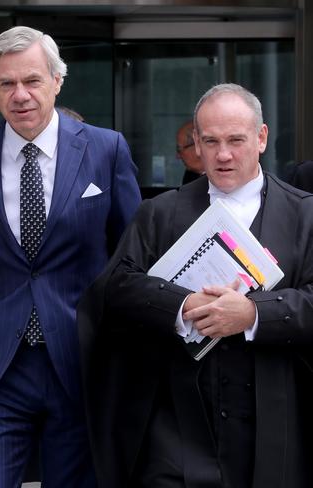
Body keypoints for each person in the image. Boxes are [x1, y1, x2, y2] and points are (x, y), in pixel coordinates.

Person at [78, 83, 313, 488]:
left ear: (261, 138)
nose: (223, 154)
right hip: (175, 427)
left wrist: (254, 314)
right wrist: (183, 306)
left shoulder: (305, 215)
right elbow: (116, 288)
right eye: (210, 141)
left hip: (276, 422)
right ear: (196, 144)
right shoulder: (158, 213)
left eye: (235, 140)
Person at [0, 25, 141, 487]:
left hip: (78, 359)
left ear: (57, 80)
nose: (20, 95)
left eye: (32, 81)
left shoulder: (105, 149)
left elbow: (128, 253)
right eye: (6, 83)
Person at [176, 120, 204, 184]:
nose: (178, 156)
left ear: (198, 146)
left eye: (179, 149)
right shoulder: (190, 176)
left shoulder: (226, 174)